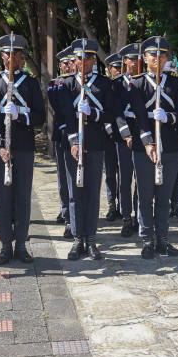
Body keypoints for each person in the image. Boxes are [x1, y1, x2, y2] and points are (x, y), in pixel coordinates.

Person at [0, 34, 46, 265]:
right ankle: (5, 245)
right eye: (9, 54)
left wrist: (20, 115)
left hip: (24, 147)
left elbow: (39, 116)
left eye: (17, 55)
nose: (13, 58)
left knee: (23, 197)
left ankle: (20, 244)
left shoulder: (30, 83)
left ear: (22, 58)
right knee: (3, 197)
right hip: (1, 149)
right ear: (2, 56)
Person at [57, 38, 116, 260]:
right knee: (75, 193)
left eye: (89, 58)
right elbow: (64, 115)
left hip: (96, 144)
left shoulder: (104, 84)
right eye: (80, 58)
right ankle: (77, 239)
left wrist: (94, 113)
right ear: (75, 60)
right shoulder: (66, 84)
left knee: (92, 193)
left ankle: (90, 239)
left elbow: (111, 113)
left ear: (94, 60)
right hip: (72, 146)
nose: (84, 62)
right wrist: (74, 142)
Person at [127, 36, 178, 258]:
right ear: (145, 58)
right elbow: (140, 116)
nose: (158, 58)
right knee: (145, 195)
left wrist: (168, 117)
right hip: (144, 147)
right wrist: (148, 143)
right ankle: (146, 239)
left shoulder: (175, 83)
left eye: (162, 55)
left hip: (169, 145)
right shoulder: (137, 83)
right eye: (153, 55)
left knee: (164, 196)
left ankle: (162, 238)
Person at [113, 42, 141, 238]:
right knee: (125, 179)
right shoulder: (117, 83)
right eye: (132, 59)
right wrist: (126, 134)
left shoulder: (146, 81)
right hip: (125, 136)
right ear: (125, 61)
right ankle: (126, 218)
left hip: (143, 135)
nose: (135, 63)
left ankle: (140, 216)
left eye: (138, 59)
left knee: (142, 179)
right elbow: (116, 111)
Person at [49, 46, 75, 238]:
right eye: (66, 63)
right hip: (63, 134)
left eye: (72, 62)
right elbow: (58, 107)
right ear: (61, 65)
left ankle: (77, 215)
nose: (69, 66)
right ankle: (66, 214)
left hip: (83, 135)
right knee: (64, 178)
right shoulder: (55, 84)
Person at [103, 52, 124, 222]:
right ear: (110, 69)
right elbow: (104, 110)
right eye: (116, 68)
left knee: (124, 174)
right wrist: (109, 130)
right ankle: (112, 205)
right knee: (110, 173)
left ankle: (123, 206)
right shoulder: (107, 85)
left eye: (121, 67)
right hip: (109, 136)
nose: (119, 71)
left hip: (124, 135)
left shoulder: (127, 85)